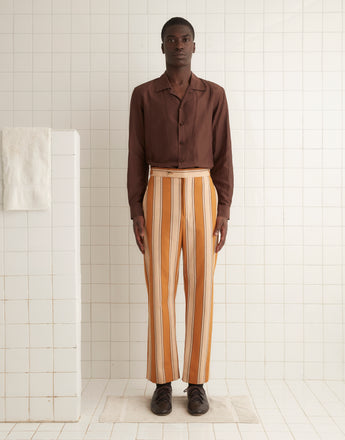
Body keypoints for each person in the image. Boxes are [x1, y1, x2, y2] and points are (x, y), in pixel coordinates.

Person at [127, 16, 234, 416]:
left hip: (202, 192)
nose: (178, 45)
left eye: (185, 39)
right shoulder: (143, 95)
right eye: (171, 39)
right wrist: (136, 209)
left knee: (201, 289)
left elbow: (223, 153)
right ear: (161, 47)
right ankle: (161, 381)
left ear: (194, 45)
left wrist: (223, 209)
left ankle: (197, 383)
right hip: (160, 192)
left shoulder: (214, 95)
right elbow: (136, 154)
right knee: (159, 289)